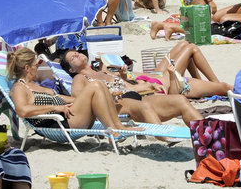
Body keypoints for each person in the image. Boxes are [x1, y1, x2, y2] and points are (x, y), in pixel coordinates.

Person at [8, 47, 142, 135]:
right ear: (27, 68)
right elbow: (22, 111)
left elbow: (67, 99)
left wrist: (103, 97)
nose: (36, 68)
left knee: (98, 85)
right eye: (35, 65)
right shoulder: (19, 88)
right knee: (94, 85)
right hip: (60, 125)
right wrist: (54, 107)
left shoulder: (36, 85)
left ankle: (118, 126)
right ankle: (114, 130)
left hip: (70, 117)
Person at [60, 49, 204, 128]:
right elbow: (80, 101)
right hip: (118, 105)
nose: (77, 55)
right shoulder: (79, 78)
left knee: (180, 100)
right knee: (145, 106)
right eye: (73, 58)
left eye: (76, 52)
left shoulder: (104, 72)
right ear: (72, 70)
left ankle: (206, 133)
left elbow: (129, 87)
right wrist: (108, 95)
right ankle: (164, 135)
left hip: (137, 98)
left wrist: (145, 84)